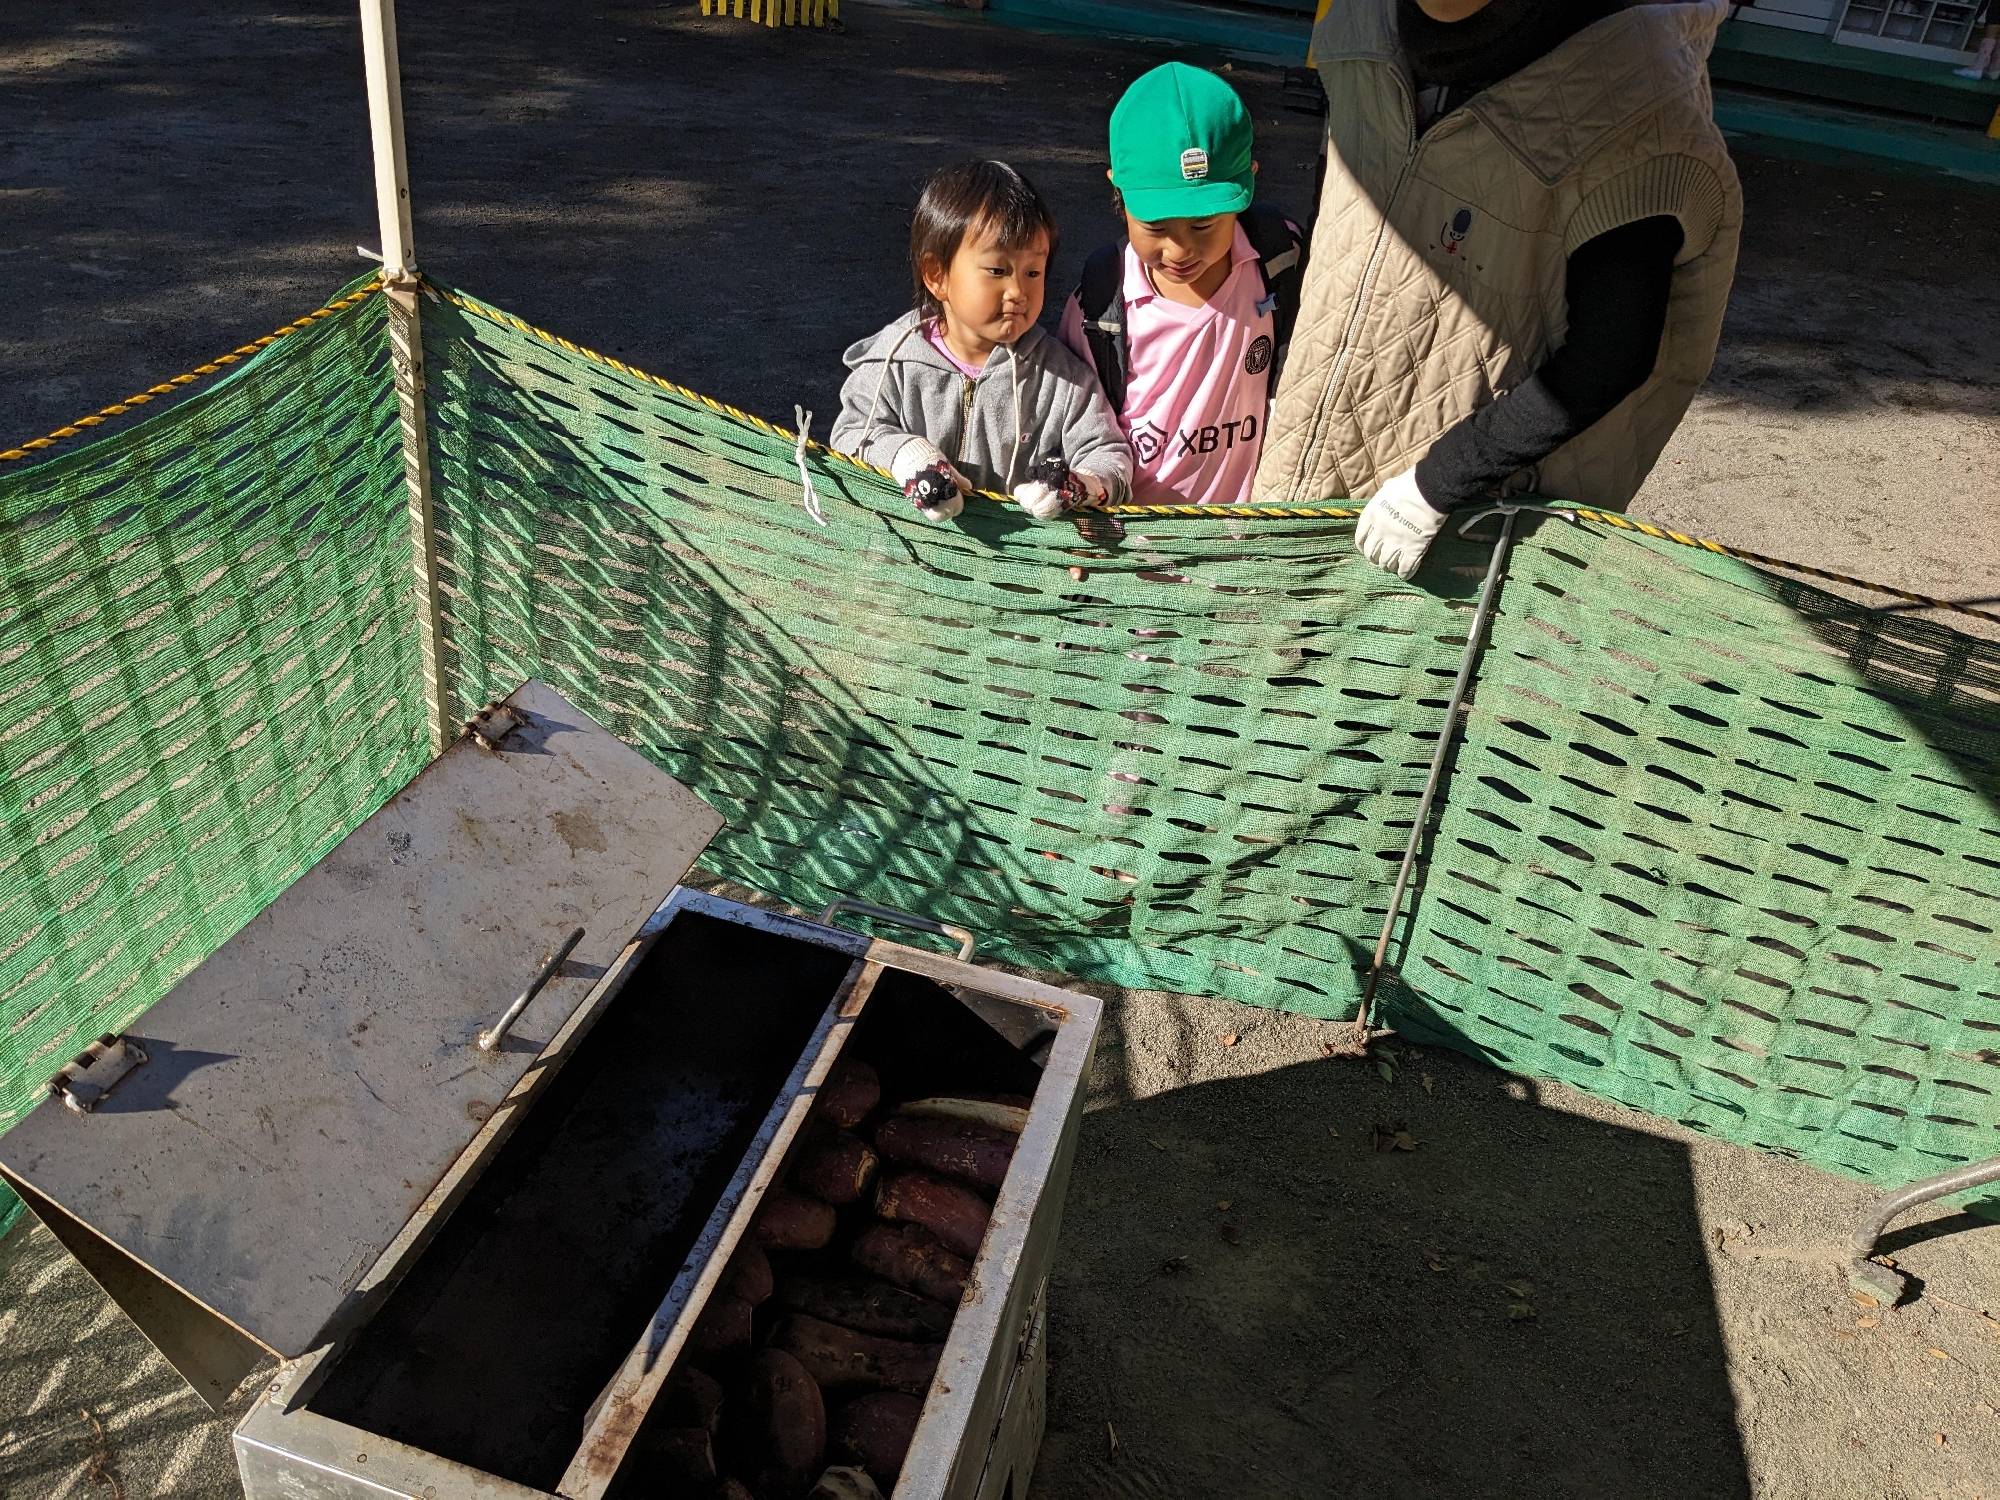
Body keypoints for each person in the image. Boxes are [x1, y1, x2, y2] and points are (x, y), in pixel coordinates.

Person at [1255, 0, 1744, 578]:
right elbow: (1339, 220)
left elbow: (1611, 357)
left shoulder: (1635, 109)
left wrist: (1439, 483)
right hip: (1311, 442)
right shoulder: (1359, 24)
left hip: (1464, 512)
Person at [1059, 62, 1309, 508]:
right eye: (1155, 226)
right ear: (1118, 191)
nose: (1178, 251)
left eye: (1203, 224)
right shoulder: (1099, 306)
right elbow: (1073, 426)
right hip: (1134, 546)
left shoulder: (1281, 257)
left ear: (1248, 182)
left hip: (1248, 549)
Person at [831, 160, 1131, 524]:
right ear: (936, 275)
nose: (1018, 291)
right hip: (904, 563)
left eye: (1033, 272)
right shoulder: (894, 361)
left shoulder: (1063, 380)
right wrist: (905, 454)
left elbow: (1109, 455)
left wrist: (1081, 484)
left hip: (1016, 570)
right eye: (997, 271)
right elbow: (849, 435)